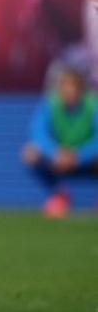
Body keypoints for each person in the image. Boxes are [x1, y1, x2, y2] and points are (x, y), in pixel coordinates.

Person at [22, 65, 98, 218]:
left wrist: (79, 155)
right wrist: (55, 153)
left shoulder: (93, 104)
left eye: (72, 85)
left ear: (81, 88)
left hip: (87, 159)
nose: (68, 90)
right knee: (30, 152)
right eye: (64, 85)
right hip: (59, 158)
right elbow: (37, 134)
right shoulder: (50, 104)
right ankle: (58, 194)